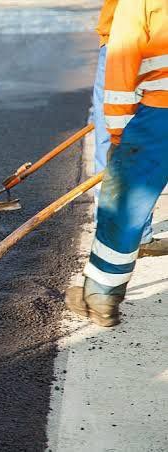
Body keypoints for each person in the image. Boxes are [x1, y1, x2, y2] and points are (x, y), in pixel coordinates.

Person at [66, 0, 168, 327]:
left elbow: (123, 59)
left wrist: (117, 131)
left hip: (160, 111)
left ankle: (101, 293)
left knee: (125, 199)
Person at [92, 0, 167, 256]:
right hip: (127, 40)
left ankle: (128, 234)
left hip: (142, 37)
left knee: (122, 130)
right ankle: (119, 238)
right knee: (116, 134)